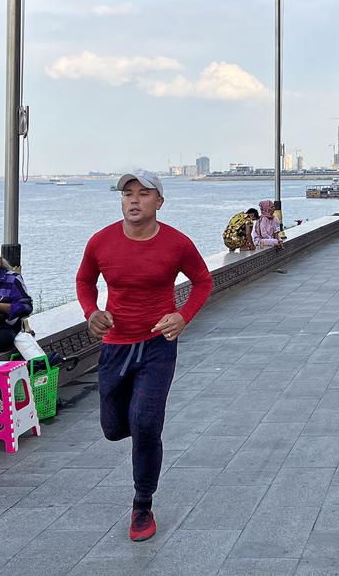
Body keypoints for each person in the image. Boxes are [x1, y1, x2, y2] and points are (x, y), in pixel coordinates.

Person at [76, 171, 213, 542]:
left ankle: (142, 505)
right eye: (127, 194)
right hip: (115, 346)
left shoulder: (176, 243)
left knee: (146, 423)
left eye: (143, 193)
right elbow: (85, 280)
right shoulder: (101, 241)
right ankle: (133, 427)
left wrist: (183, 316)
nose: (133, 200)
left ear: (159, 202)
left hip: (157, 344)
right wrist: (91, 311)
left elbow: (203, 281)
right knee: (113, 428)